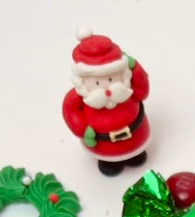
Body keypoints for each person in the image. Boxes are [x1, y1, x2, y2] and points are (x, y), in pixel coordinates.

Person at [62, 29, 151, 176]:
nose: (108, 90)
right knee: (109, 163)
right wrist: (82, 130)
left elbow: (142, 91)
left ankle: (135, 155)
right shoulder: (80, 96)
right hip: (103, 144)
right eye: (97, 83)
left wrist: (135, 68)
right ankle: (109, 162)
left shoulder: (127, 89)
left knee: (136, 156)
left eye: (111, 79)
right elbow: (70, 110)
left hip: (135, 135)